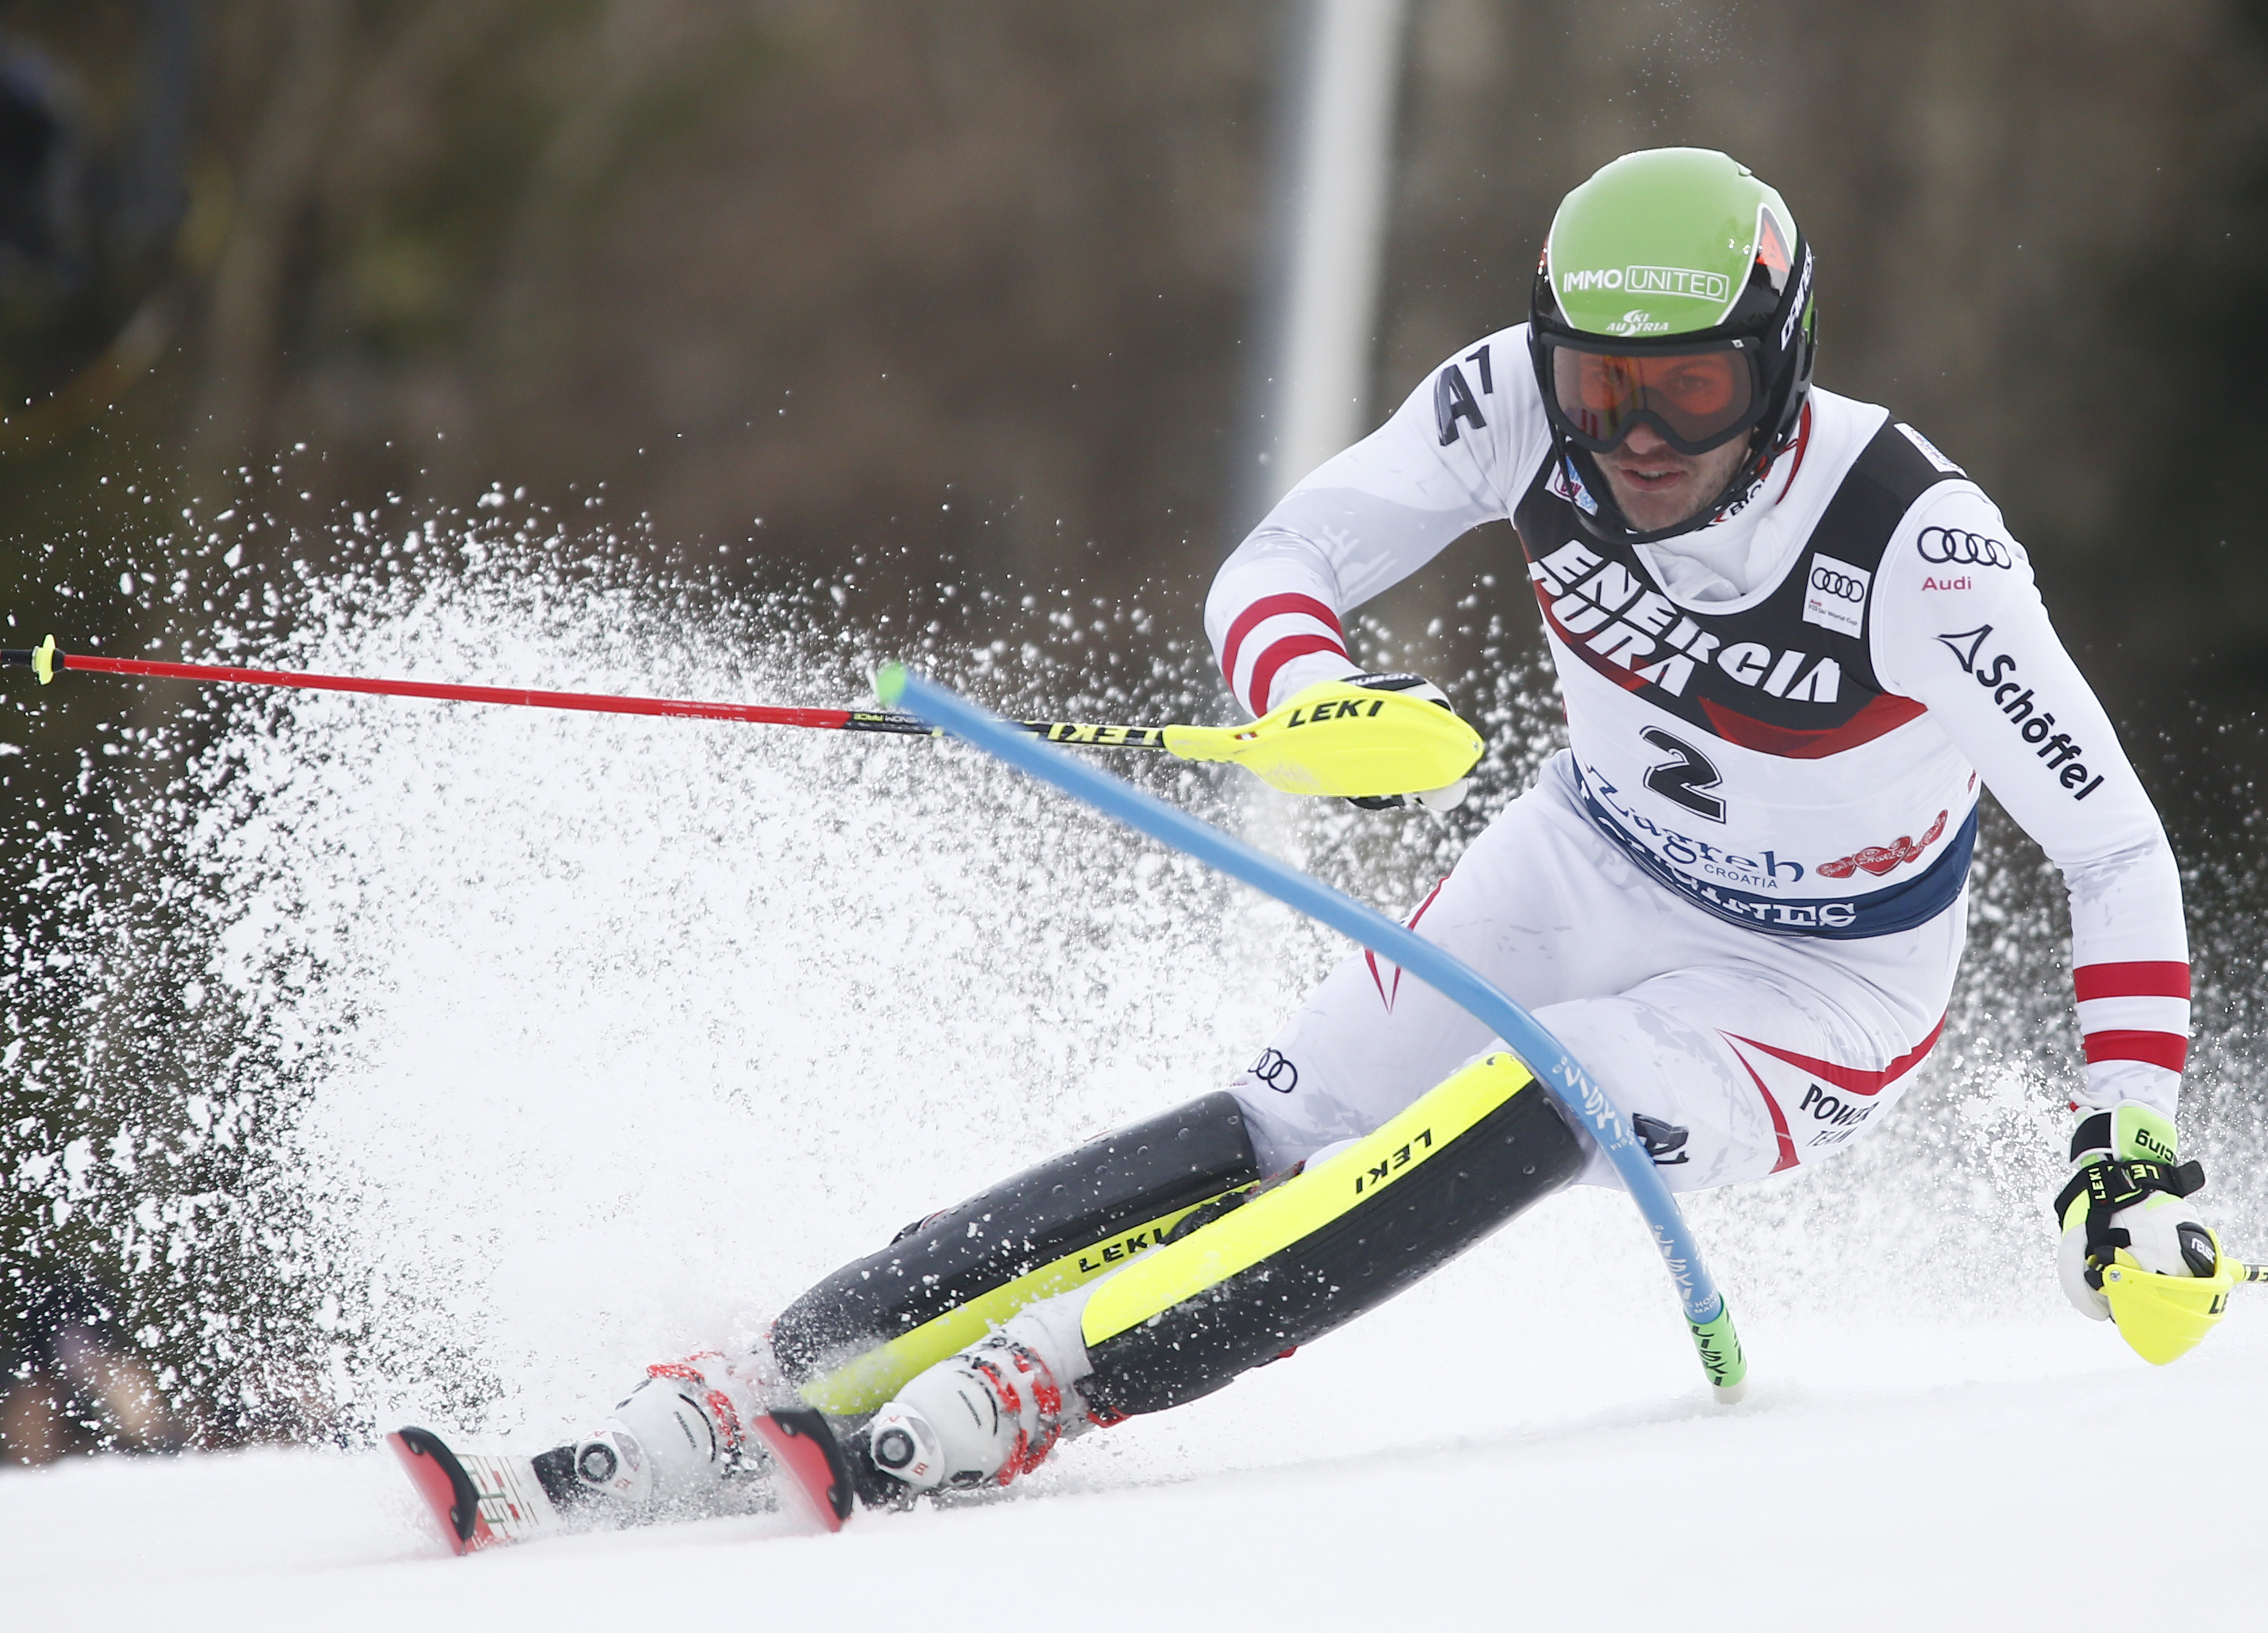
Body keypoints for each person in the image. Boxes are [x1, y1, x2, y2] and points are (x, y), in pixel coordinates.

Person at [515, 147, 2223, 1519]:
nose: (1630, 441)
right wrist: (1309, 695)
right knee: (1279, 1119)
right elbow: (1278, 564)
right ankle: (775, 1370)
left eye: (1686, 394)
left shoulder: (1921, 551)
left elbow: (2116, 853)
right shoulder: (1510, 407)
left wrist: (2124, 1148)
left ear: (1778, 369)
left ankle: (1058, 1376)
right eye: (1599, 387)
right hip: (1589, 860)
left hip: (1813, 992)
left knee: (1556, 1077)